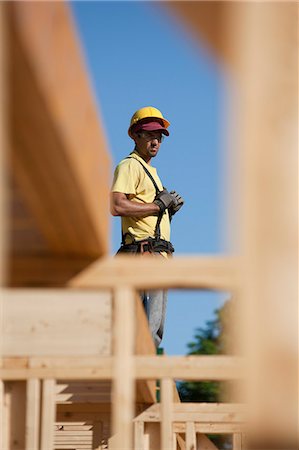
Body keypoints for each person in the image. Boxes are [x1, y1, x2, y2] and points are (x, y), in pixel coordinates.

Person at [110, 106, 184, 348]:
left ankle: (143, 380)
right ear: (135, 135)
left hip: (155, 255)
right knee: (142, 332)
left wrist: (166, 210)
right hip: (142, 256)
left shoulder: (150, 171)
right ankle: (135, 381)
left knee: (152, 335)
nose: (156, 141)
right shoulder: (129, 165)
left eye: (159, 136)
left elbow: (147, 211)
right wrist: (157, 206)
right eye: (150, 134)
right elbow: (117, 205)